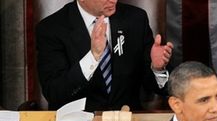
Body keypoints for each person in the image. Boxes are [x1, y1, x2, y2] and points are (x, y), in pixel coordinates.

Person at [36, 0, 174, 111]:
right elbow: (55, 93)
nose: (113, 0)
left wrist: (157, 69)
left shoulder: (135, 19)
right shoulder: (51, 28)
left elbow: (155, 86)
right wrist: (93, 56)